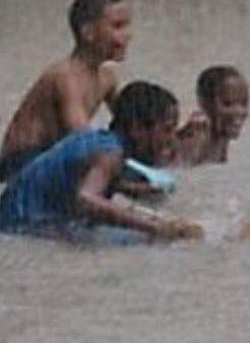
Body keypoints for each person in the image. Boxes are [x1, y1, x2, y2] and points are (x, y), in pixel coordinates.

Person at [0, 81, 203, 243]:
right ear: (137, 129)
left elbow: (85, 184)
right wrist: (156, 227)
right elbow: (86, 199)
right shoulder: (110, 153)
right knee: (148, 241)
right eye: (166, 130)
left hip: (14, 218)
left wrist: (134, 191)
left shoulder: (100, 140)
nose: (171, 139)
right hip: (18, 228)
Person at [0, 0, 131, 183]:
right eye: (117, 26)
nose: (128, 35)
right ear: (88, 33)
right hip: (22, 163)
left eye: (127, 26)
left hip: (53, 156)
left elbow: (132, 124)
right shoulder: (65, 76)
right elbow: (82, 142)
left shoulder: (107, 76)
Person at [174, 65, 250, 166]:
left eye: (243, 104)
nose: (239, 111)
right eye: (227, 103)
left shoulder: (219, 138)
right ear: (204, 103)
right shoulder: (196, 141)